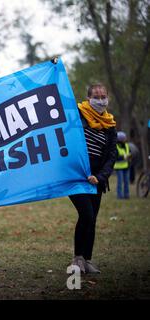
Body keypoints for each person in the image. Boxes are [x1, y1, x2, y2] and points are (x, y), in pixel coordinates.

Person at [70, 83, 117, 274]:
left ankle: (87, 259)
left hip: (97, 180)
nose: (100, 100)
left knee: (92, 219)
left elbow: (112, 154)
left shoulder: (110, 124)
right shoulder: (77, 115)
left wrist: (100, 177)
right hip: (77, 177)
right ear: (88, 98)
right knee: (86, 215)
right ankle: (77, 259)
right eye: (96, 96)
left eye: (103, 96)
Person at [114, 131, 131, 199]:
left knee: (126, 182)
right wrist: (124, 157)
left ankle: (127, 195)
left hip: (126, 166)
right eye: (124, 138)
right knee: (120, 182)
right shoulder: (116, 146)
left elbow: (129, 152)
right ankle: (119, 196)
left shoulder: (127, 145)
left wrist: (130, 156)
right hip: (119, 167)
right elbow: (116, 157)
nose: (125, 139)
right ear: (120, 139)